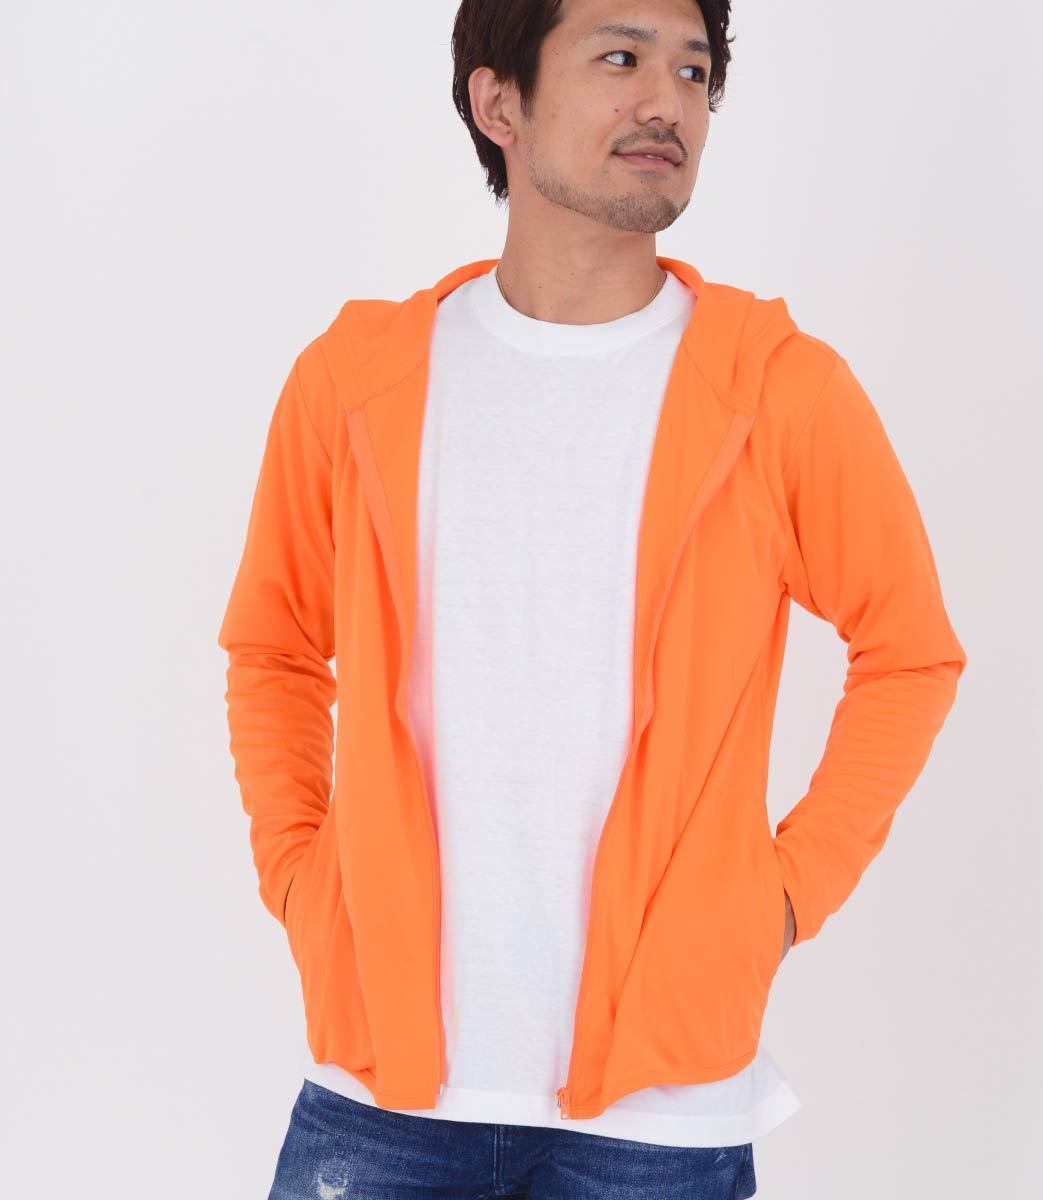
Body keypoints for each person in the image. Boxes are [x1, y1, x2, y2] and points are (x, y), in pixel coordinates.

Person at [217, 1, 968, 1195]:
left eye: (693, 71)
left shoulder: (778, 391)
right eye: (620, 57)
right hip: (380, 1096)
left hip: (658, 1120)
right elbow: (274, 649)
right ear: (498, 101)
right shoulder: (354, 383)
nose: (667, 102)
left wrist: (781, 897)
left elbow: (910, 653)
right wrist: (303, 874)